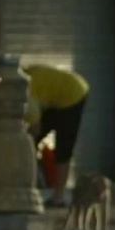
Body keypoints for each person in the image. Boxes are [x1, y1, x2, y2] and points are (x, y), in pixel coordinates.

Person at [23, 64, 89, 208]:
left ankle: (57, 198)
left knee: (63, 148)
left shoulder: (25, 91)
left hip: (74, 94)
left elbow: (35, 126)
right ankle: (29, 187)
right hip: (58, 96)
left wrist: (26, 147)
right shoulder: (21, 76)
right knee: (30, 142)